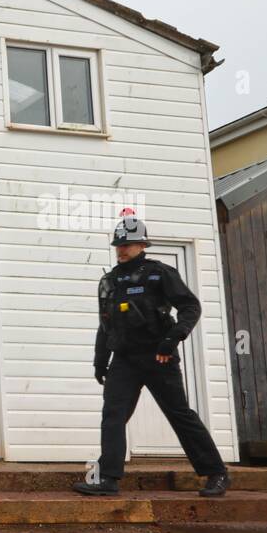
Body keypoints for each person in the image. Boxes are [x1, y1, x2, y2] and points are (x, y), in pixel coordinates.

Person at [74, 211, 230, 498]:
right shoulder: (109, 281)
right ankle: (108, 479)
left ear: (142, 245)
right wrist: (100, 360)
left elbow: (190, 307)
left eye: (127, 244)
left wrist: (171, 341)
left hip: (159, 358)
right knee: (113, 415)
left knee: (179, 414)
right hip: (124, 360)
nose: (121, 249)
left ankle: (216, 473)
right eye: (118, 245)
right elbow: (105, 323)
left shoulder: (160, 273)